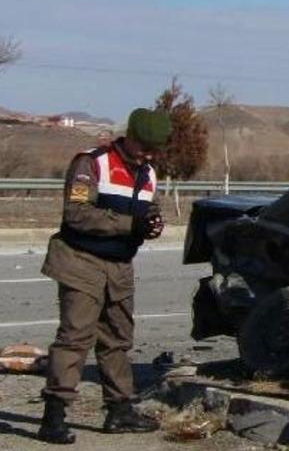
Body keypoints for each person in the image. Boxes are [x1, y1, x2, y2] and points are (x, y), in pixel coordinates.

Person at [37, 108, 172, 444]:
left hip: (120, 266)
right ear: (130, 138)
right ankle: (54, 415)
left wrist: (152, 224)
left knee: (117, 339)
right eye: (144, 148)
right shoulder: (92, 163)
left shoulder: (148, 173)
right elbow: (77, 213)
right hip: (81, 261)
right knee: (75, 337)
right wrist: (130, 224)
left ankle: (119, 410)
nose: (148, 155)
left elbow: (149, 208)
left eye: (154, 150)